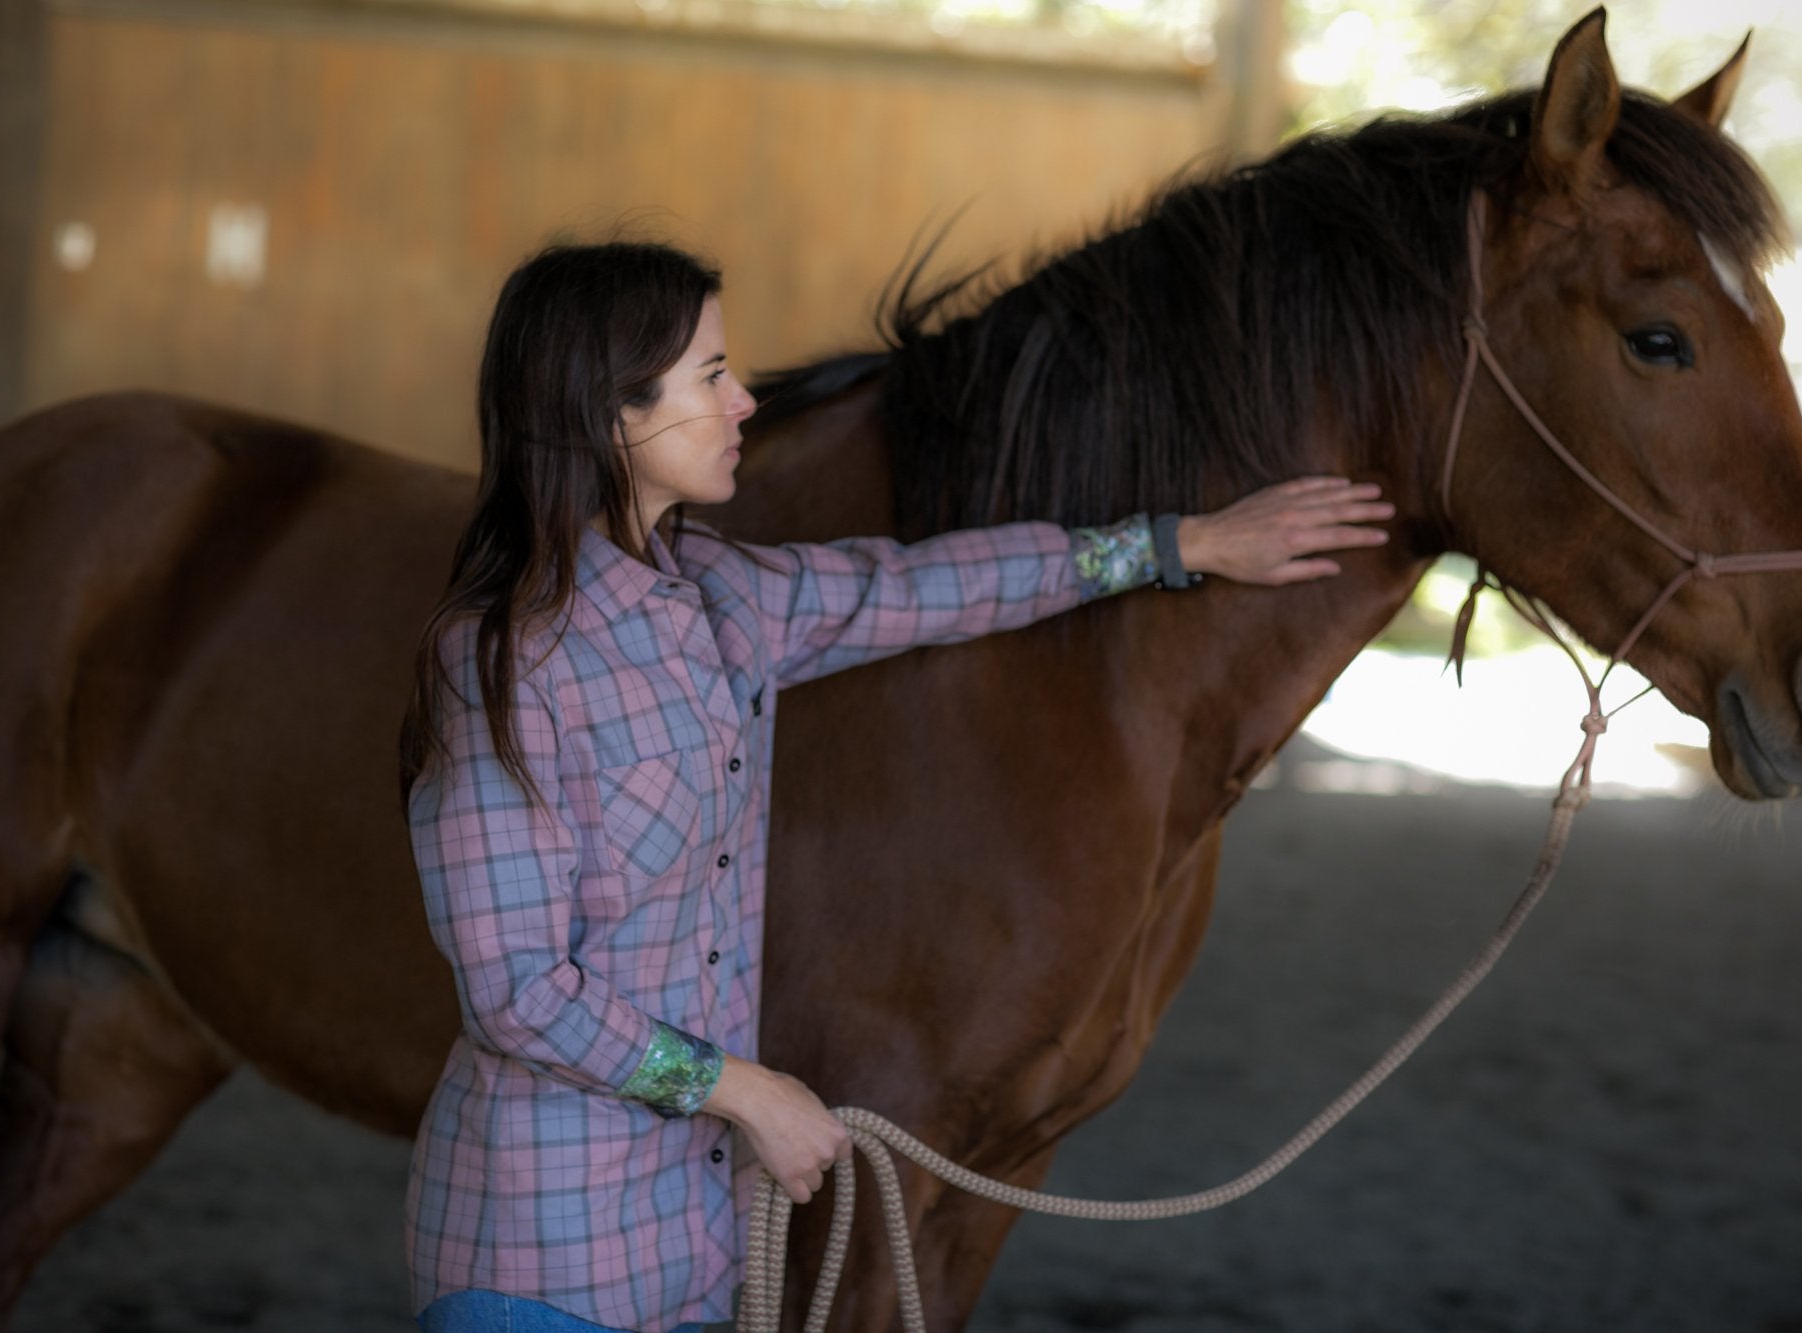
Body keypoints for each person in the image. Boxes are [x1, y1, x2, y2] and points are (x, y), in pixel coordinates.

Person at [398, 241, 1393, 1333]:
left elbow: (928, 584)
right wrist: (743, 1088)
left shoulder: (724, 596)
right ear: (612, 411)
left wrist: (1178, 542)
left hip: (688, 1240)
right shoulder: (504, 662)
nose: (744, 401)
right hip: (541, 1257)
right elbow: (517, 988)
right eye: (711, 375)